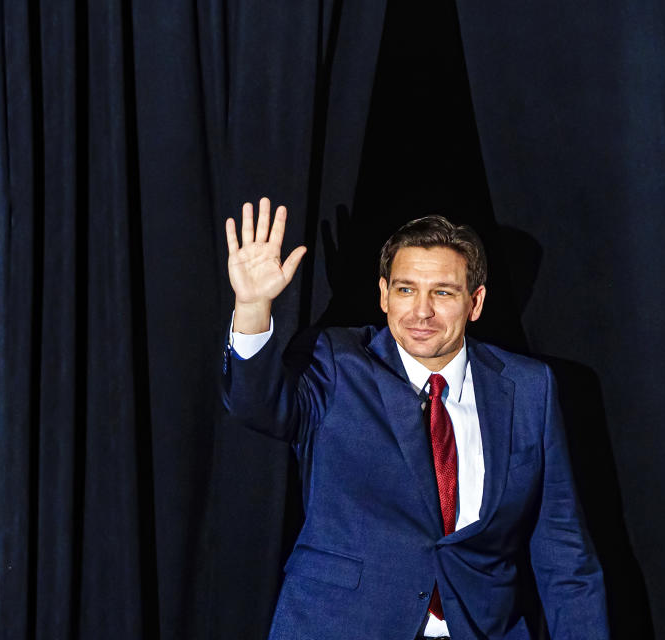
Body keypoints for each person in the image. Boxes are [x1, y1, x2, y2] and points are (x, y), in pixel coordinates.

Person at [221, 197, 610, 640]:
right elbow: (257, 405)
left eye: (442, 292)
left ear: (475, 302)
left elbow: (564, 556)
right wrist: (252, 307)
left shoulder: (529, 388)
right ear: (384, 295)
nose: (421, 311)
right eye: (406, 289)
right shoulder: (337, 363)